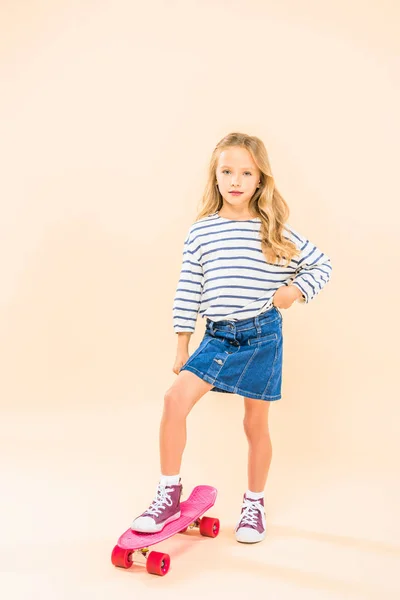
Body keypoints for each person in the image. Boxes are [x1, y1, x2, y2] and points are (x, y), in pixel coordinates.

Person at [131, 132, 332, 543]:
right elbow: (188, 289)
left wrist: (294, 291)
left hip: (262, 336)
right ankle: (168, 493)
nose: (236, 180)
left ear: (260, 180)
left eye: (246, 172)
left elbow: (322, 266)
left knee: (255, 424)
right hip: (218, 338)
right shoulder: (201, 232)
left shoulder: (274, 229)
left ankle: (254, 504)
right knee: (174, 400)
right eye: (227, 171)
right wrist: (182, 343)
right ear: (215, 176)